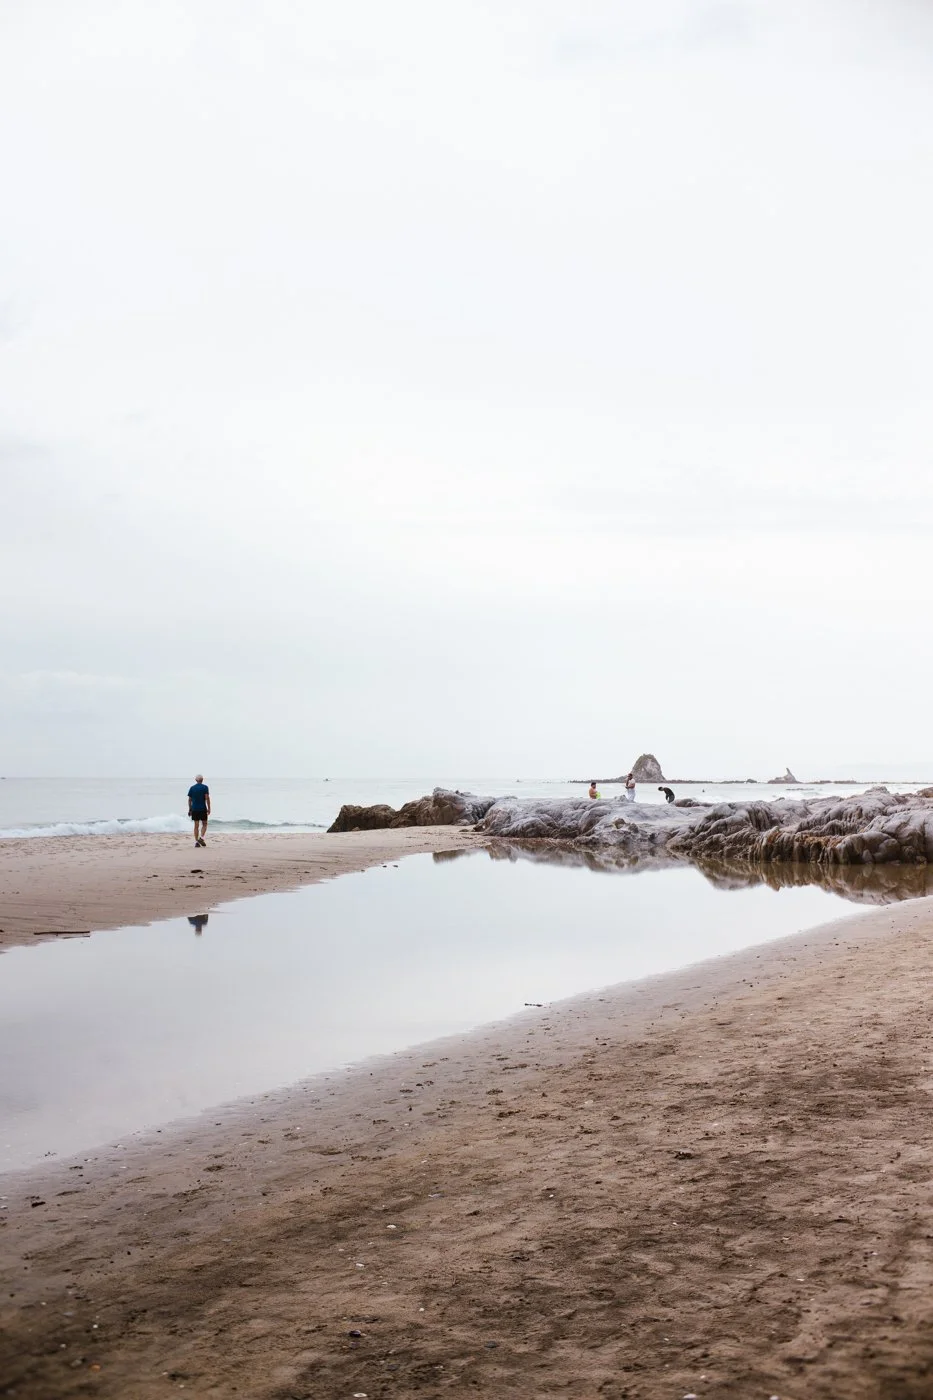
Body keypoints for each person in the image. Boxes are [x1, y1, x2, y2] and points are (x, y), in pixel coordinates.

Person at [187, 773, 211, 847]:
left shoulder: (192, 788)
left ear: (195, 780)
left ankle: (197, 842)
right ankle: (201, 838)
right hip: (203, 808)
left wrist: (190, 809)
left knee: (196, 826)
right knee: (205, 824)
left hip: (194, 809)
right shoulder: (205, 787)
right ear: (202, 780)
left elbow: (189, 800)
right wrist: (209, 808)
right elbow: (207, 798)